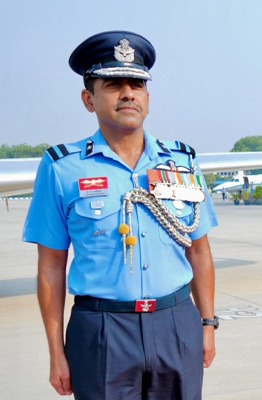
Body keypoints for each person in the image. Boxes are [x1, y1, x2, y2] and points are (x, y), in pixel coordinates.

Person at [23, 31, 219, 399]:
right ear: (89, 99)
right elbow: (51, 265)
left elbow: (198, 249)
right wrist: (55, 351)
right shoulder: (62, 167)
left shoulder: (181, 163)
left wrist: (207, 323)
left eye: (137, 84)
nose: (128, 93)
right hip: (101, 329)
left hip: (176, 322)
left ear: (148, 97)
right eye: (113, 85)